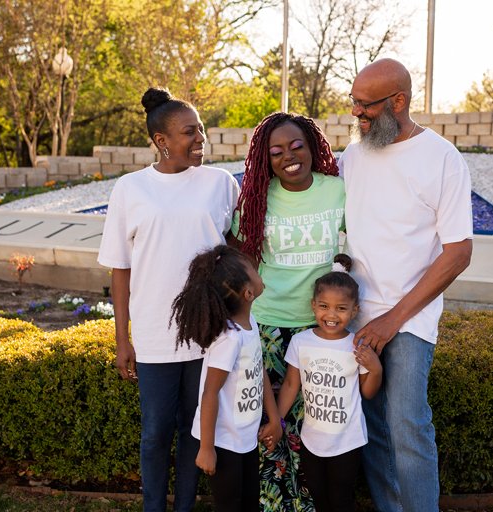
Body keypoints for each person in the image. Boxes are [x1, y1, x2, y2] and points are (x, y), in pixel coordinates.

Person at [339, 58, 473, 512]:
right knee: (374, 427)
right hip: (357, 316)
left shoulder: (442, 159)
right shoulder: (352, 157)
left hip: (410, 318)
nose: (356, 114)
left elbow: (458, 253)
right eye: (353, 103)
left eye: (365, 106)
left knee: (407, 425)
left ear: (399, 100)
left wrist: (393, 319)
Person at [97, 87, 239, 512]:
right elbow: (119, 270)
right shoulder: (130, 188)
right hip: (156, 335)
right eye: (189, 132)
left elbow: (236, 254)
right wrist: (123, 339)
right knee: (156, 431)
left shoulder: (221, 184)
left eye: (201, 130)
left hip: (209, 334)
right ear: (161, 141)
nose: (201, 140)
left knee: (196, 429)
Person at [232, 112, 344, 511]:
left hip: (321, 327)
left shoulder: (337, 191)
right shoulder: (259, 197)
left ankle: (310, 504)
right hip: (269, 327)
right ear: (267, 159)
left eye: (297, 146)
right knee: (270, 424)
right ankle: (272, 505)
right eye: (276, 151)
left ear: (313, 147)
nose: (288, 157)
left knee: (313, 425)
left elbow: (362, 241)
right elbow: (239, 254)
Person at [170, 244, 283, 512]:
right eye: (252, 270)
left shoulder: (250, 323)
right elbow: (210, 393)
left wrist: (274, 418)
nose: (257, 269)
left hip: (244, 436)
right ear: (248, 292)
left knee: (248, 502)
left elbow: (258, 371)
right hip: (222, 441)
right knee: (230, 505)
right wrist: (207, 448)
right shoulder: (229, 339)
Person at [272, 254, 382, 512]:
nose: (331, 315)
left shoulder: (357, 345)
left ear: (354, 311)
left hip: (347, 442)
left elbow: (367, 392)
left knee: (341, 500)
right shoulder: (301, 342)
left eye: (341, 309)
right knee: (319, 496)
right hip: (312, 440)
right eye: (324, 306)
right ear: (313, 305)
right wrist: (277, 420)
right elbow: (290, 385)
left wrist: (375, 368)